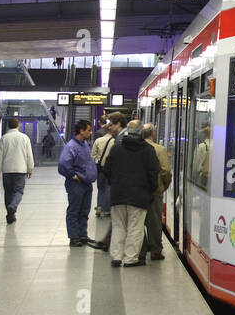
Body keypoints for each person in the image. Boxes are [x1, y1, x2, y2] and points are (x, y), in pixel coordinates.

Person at [103, 119, 161, 268]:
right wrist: (151, 189)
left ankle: (116, 257)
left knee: (118, 226)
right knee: (136, 228)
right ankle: (130, 258)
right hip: (139, 196)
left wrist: (115, 183)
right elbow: (154, 173)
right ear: (142, 132)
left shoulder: (116, 148)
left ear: (128, 131)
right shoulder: (148, 150)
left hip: (118, 194)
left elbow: (107, 169)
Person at [57, 119, 98, 247]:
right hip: (76, 184)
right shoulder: (71, 146)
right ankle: (74, 237)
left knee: (84, 210)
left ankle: (82, 234)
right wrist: (73, 176)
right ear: (81, 131)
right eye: (88, 130)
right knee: (74, 210)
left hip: (86, 183)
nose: (91, 133)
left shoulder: (84, 144)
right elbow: (63, 164)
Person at [0, 117, 35, 225]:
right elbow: (29, 155)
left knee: (8, 193)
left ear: (8, 126)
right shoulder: (25, 138)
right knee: (18, 191)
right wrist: (30, 169)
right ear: (18, 125)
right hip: (20, 170)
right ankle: (13, 207)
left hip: (7, 170)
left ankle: (10, 216)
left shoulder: (4, 138)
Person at [139, 124, 171, 262]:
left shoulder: (136, 148)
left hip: (137, 192)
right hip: (155, 192)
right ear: (153, 134)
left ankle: (142, 248)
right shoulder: (159, 149)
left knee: (138, 223)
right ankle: (156, 250)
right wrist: (163, 187)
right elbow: (165, 171)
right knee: (154, 223)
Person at [91, 113, 126, 218]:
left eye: (112, 124)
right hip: (112, 170)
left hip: (101, 168)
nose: (111, 126)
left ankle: (99, 207)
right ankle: (107, 209)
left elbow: (93, 155)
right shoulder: (115, 140)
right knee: (107, 188)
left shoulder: (98, 140)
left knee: (100, 188)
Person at [193, 118, 212, 188]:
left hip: (204, 177)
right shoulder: (217, 146)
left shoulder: (201, 146)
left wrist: (193, 174)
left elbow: (195, 164)